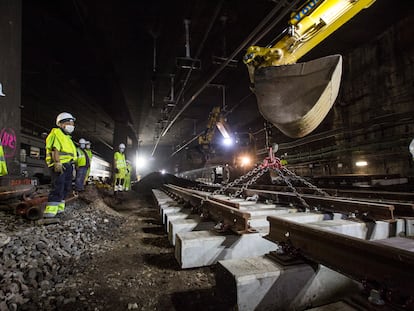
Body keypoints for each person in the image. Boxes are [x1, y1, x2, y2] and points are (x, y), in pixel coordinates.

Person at [44, 112, 77, 218]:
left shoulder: (67, 137)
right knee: (58, 186)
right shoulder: (56, 133)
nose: (71, 125)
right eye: (69, 123)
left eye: (72, 123)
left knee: (66, 187)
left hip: (67, 165)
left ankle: (59, 210)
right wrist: (57, 163)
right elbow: (55, 149)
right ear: (61, 124)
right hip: (59, 165)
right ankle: (50, 212)